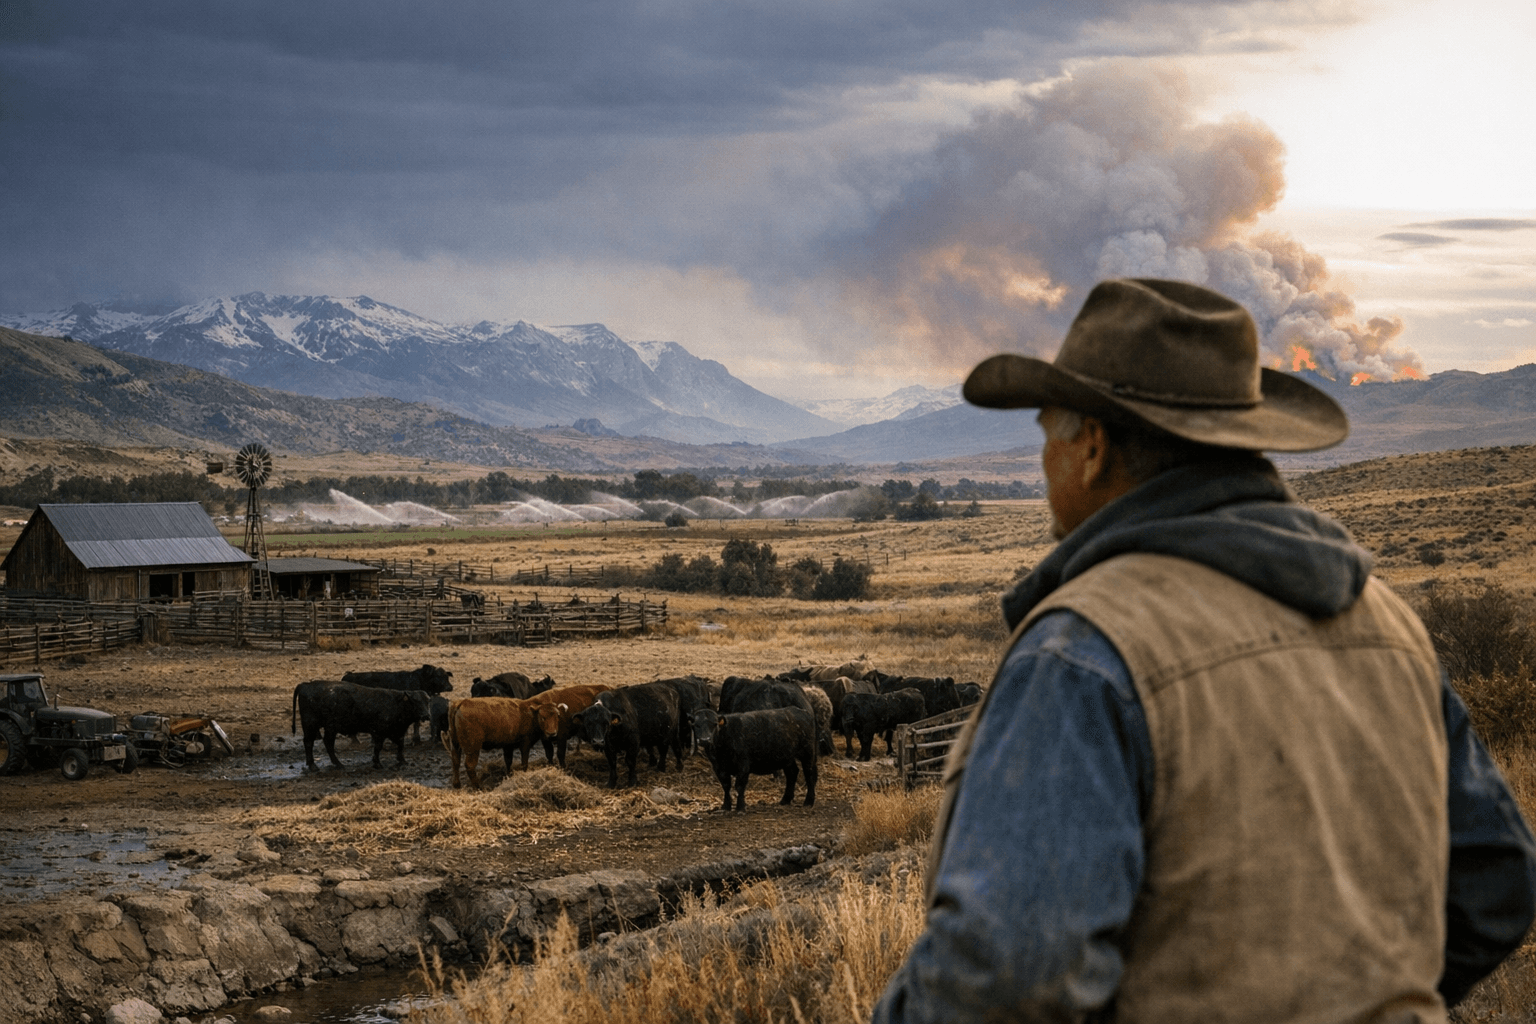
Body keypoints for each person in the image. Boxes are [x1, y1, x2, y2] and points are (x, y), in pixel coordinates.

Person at [872, 278, 1536, 1023]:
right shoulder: (1385, 621)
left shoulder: (1085, 649)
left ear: (1090, 446)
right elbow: (1496, 882)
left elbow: (1009, 976)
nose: (1044, 461)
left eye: (1046, 432)